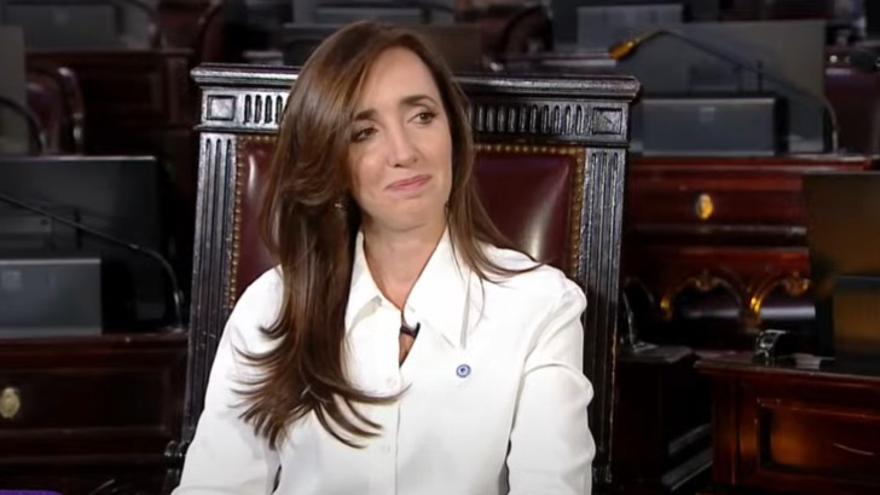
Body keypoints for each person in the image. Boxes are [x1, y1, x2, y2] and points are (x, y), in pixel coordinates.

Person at [174, 21, 594, 495]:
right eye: (364, 132)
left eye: (422, 117)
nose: (404, 152)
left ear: (453, 130)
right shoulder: (271, 307)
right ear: (330, 158)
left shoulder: (541, 306)